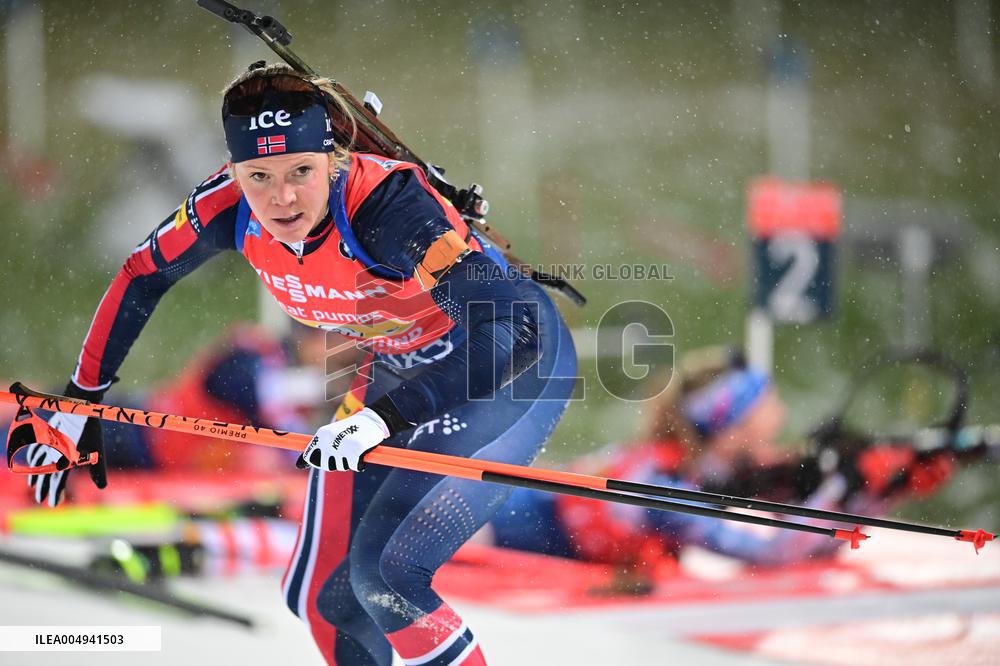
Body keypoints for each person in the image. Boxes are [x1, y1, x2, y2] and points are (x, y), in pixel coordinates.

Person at [21, 63, 577, 666]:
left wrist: (383, 419)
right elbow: (140, 278)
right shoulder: (225, 208)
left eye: (301, 172)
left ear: (331, 159)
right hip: (396, 370)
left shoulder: (387, 208)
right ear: (233, 170)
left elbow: (511, 333)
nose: (281, 198)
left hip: (501, 373)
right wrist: (79, 402)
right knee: (323, 597)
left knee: (386, 581)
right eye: (258, 175)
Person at [488, 347, 954, 572]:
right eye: (768, 414)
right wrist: (857, 492)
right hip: (488, 524)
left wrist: (884, 492)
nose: (783, 420)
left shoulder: (707, 470)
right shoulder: (667, 489)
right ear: (732, 430)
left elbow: (810, 537)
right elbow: (771, 554)